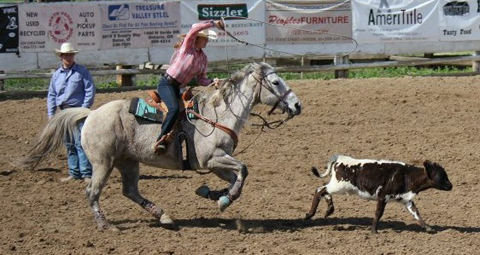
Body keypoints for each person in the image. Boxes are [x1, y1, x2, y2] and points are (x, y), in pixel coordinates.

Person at [153, 20, 225, 154]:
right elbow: (195, 28)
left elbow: (201, 79)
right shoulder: (187, 47)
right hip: (167, 83)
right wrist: (213, 23)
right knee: (174, 110)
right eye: (205, 39)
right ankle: (160, 139)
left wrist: (212, 81)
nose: (207, 41)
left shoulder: (203, 58)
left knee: (186, 115)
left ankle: (175, 143)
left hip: (178, 88)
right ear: (197, 39)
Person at [47, 42, 96, 182]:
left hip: (78, 110)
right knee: (69, 143)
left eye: (70, 54)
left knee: (81, 142)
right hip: (63, 112)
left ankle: (86, 173)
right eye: (66, 55)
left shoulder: (82, 71)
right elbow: (52, 95)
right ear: (61, 57)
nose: (68, 57)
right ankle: (74, 173)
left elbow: (89, 90)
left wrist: (84, 108)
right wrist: (51, 114)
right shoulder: (56, 75)